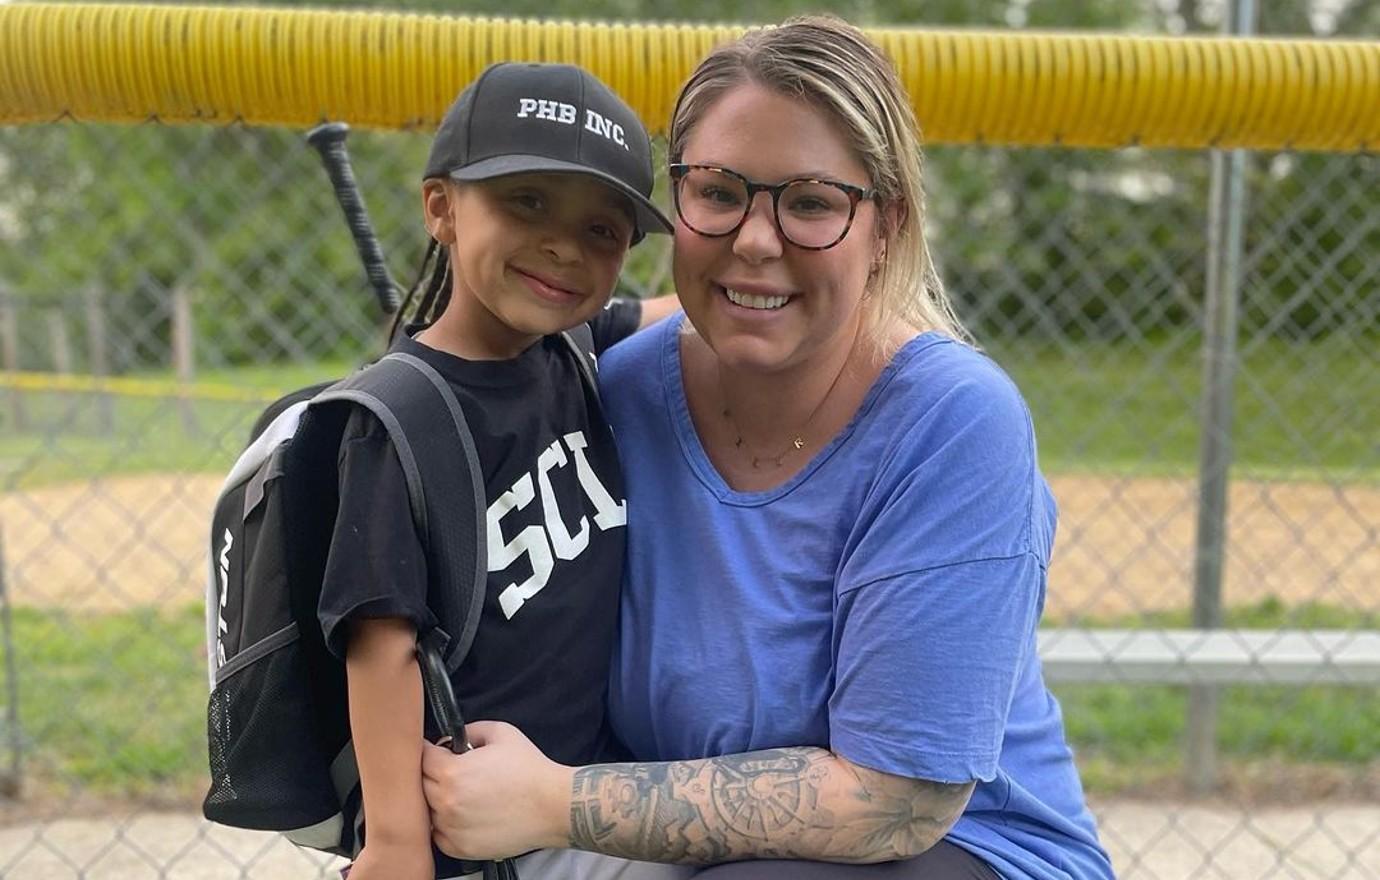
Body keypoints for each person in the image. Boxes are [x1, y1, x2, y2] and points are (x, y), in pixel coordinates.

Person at [419, 17, 1116, 880]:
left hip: (955, 849)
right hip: (677, 850)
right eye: (718, 192)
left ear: (885, 226)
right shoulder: (617, 391)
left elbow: (895, 803)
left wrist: (549, 802)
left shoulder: (952, 422)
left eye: (812, 202)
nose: (756, 238)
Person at [319, 61, 687, 880]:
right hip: (483, 835)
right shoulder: (400, 417)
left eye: (603, 231)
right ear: (441, 207)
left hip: (578, 790)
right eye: (527, 202)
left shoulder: (576, 350)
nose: (564, 243)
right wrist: (396, 846)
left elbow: (681, 306)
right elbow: (381, 643)